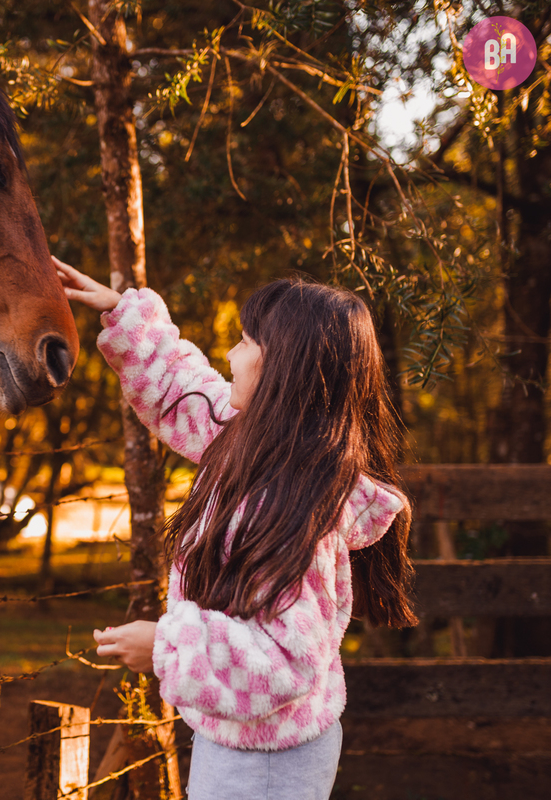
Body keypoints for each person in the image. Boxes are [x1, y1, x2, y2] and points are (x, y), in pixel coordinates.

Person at [54, 257, 417, 800]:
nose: (229, 354)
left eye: (246, 343)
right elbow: (185, 390)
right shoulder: (256, 445)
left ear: (284, 370)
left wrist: (165, 644)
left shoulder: (293, 509)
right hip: (248, 740)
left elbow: (284, 661)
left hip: (269, 765)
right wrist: (123, 313)